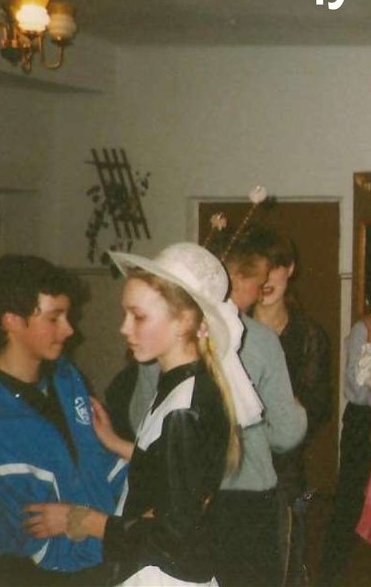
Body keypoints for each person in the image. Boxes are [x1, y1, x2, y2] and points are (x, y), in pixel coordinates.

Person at [19, 242, 267, 585]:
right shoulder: (183, 385)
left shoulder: (185, 407)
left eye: (138, 316)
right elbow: (174, 469)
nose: (124, 328)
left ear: (183, 321)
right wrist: (116, 443)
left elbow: (172, 537)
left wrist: (82, 520)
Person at [126, 227, 306, 587]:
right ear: (234, 277)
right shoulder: (261, 339)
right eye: (258, 281)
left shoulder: (162, 338)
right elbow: (287, 434)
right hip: (247, 499)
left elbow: (140, 422)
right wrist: (288, 414)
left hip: (177, 501)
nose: (260, 290)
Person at [0, 255, 128, 586]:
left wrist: (130, 529)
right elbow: (43, 545)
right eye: (54, 318)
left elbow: (105, 465)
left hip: (106, 556)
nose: (69, 329)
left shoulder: (66, 379)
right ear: (11, 321)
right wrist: (126, 542)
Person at [253, 228, 332, 587]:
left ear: (291, 269)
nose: (267, 278)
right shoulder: (231, 329)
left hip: (284, 472)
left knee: (284, 570)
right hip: (233, 471)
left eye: (276, 267)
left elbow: (316, 408)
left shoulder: (308, 335)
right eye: (260, 268)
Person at [319, 255, 371, 585]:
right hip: (365, 420)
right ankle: (330, 576)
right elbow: (357, 385)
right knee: (351, 497)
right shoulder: (364, 328)